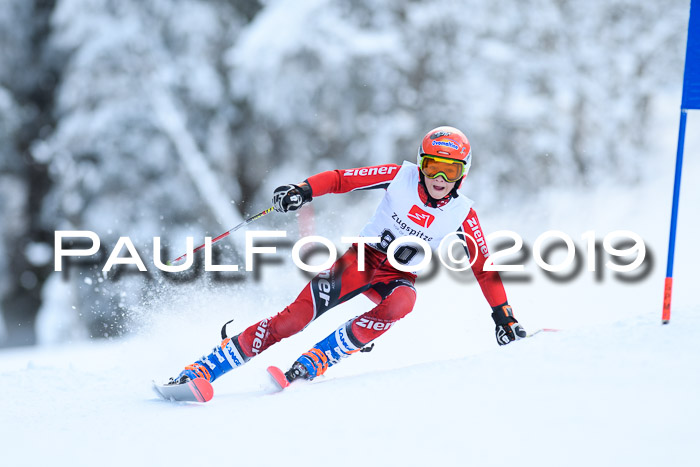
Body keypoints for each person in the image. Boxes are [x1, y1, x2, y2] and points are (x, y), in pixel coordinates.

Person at [169, 126, 526, 386]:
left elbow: (483, 267)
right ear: (421, 164)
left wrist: (503, 314)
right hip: (361, 262)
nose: (439, 178)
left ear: (463, 174)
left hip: (397, 277)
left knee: (404, 301)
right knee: (292, 321)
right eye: (433, 166)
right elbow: (343, 179)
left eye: (451, 170)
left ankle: (323, 356)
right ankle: (203, 369)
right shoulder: (399, 177)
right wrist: (303, 190)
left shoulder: (463, 213)